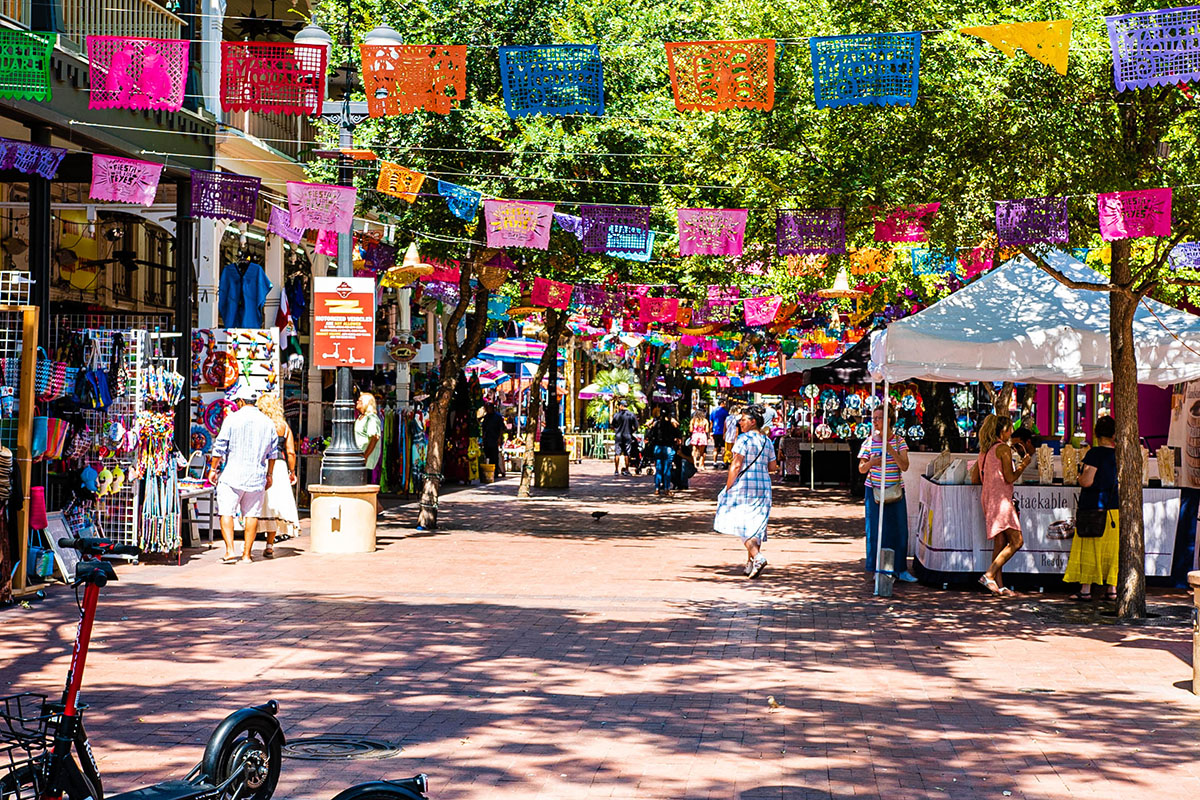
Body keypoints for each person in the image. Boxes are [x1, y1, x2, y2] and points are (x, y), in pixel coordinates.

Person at [208, 386, 278, 563]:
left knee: (226, 512)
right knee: (251, 514)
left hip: (233, 475)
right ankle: (247, 554)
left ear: (240, 402)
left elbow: (220, 447)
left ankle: (230, 551)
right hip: (256, 475)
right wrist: (269, 474)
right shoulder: (268, 422)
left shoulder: (232, 419)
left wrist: (213, 469)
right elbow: (273, 453)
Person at [970, 414, 1031, 596]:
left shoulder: (984, 451)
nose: (1012, 432)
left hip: (988, 499)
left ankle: (999, 585)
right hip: (1001, 501)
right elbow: (1010, 477)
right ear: (1003, 430)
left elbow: (975, 478)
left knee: (1001, 541)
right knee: (1017, 541)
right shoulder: (1003, 449)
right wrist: (1023, 464)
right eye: (1010, 429)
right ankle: (989, 575)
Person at [714, 405, 778, 578]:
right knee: (756, 525)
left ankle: (757, 557)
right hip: (763, 486)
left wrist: (728, 487)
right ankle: (750, 564)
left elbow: (735, 465)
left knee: (742, 524)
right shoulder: (767, 441)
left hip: (744, 486)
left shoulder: (743, 439)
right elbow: (773, 467)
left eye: (743, 420)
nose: (740, 422)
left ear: (753, 422)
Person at [858, 406, 918, 583]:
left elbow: (905, 466)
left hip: (895, 490)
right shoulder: (868, 441)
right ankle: (878, 568)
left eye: (879, 418)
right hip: (874, 490)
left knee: (899, 530)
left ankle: (900, 569)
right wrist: (872, 462)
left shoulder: (900, 441)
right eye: (874, 418)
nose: (875, 421)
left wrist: (890, 449)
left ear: (888, 420)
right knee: (876, 530)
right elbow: (861, 468)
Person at [1065, 415, 1119, 601]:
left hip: (1094, 508)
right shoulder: (1120, 454)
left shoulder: (1094, 454)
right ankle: (1112, 589)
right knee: (1111, 550)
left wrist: (1079, 477)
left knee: (1090, 547)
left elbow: (1087, 481)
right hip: (1114, 510)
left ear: (1096, 433)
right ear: (1114, 433)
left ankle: (1086, 589)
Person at [255, 392, 299, 557]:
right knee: (273, 506)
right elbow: (291, 452)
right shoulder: (283, 426)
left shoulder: (259, 424)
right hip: (278, 467)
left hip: (260, 464)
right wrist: (292, 471)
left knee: (257, 504)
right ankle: (270, 545)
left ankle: (249, 543)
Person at [645, 407, 680, 497]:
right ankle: (667, 489)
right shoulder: (671, 425)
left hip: (658, 448)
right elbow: (678, 433)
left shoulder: (656, 424)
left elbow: (649, 434)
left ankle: (657, 488)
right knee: (667, 469)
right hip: (668, 448)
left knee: (659, 468)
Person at [354, 392, 382, 476]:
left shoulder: (371, 418)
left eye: (360, 401)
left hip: (365, 460)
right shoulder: (360, 417)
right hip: (358, 458)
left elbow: (375, 437)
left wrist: (365, 456)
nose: (357, 402)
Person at [611, 399, 639, 476]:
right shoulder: (631, 415)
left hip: (618, 436)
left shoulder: (616, 415)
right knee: (627, 453)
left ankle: (616, 470)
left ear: (621, 406)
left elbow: (612, 425)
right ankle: (627, 470)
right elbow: (636, 426)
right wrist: (631, 431)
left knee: (617, 453)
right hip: (628, 436)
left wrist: (617, 430)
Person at [481, 401, 507, 479]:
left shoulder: (498, 417)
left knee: (494, 457)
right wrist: (483, 437)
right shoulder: (486, 417)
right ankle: (488, 472)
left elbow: (501, 428)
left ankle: (495, 473)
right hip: (487, 439)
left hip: (495, 439)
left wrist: (499, 438)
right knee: (487, 456)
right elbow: (483, 428)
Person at [709, 399, 730, 468]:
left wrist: (711, 431)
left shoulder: (713, 411)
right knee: (723, 447)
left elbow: (711, 422)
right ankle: (724, 462)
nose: (725, 404)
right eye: (724, 403)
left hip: (715, 432)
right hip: (722, 432)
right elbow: (726, 422)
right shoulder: (725, 412)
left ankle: (714, 462)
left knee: (716, 447)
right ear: (722, 403)